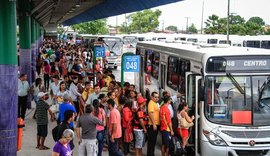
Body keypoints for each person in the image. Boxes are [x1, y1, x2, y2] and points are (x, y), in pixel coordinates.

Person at [147, 91, 160, 156]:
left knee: (153, 141)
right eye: (155, 97)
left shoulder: (154, 103)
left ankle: (151, 153)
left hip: (154, 124)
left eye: (157, 97)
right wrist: (154, 124)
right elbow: (150, 113)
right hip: (152, 125)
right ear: (152, 97)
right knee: (152, 141)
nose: (157, 98)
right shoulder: (151, 103)